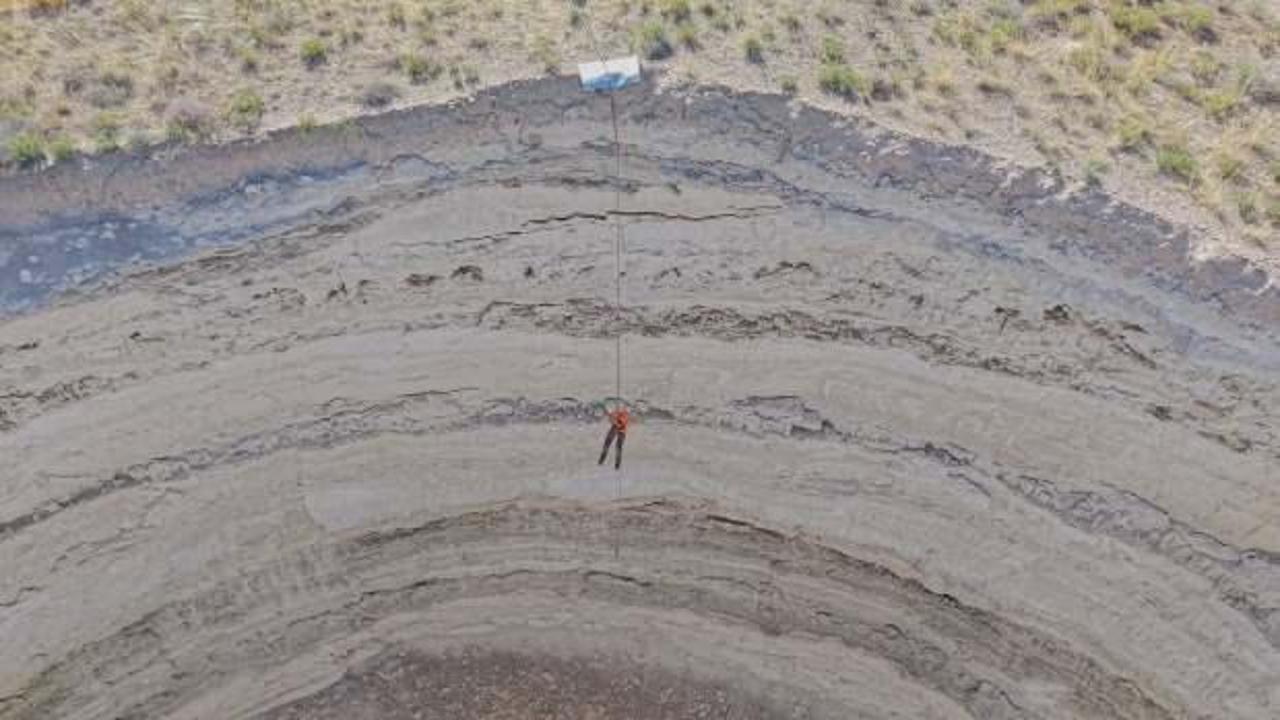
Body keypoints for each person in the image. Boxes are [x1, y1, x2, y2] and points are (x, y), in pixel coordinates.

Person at [598, 404, 629, 470]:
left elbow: (621, 424)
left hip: (621, 431)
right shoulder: (616, 412)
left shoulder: (625, 414)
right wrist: (612, 417)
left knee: (618, 448)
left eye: (622, 407)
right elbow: (611, 418)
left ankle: (617, 465)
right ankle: (601, 460)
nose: (620, 408)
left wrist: (616, 421)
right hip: (615, 428)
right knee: (607, 444)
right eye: (619, 407)